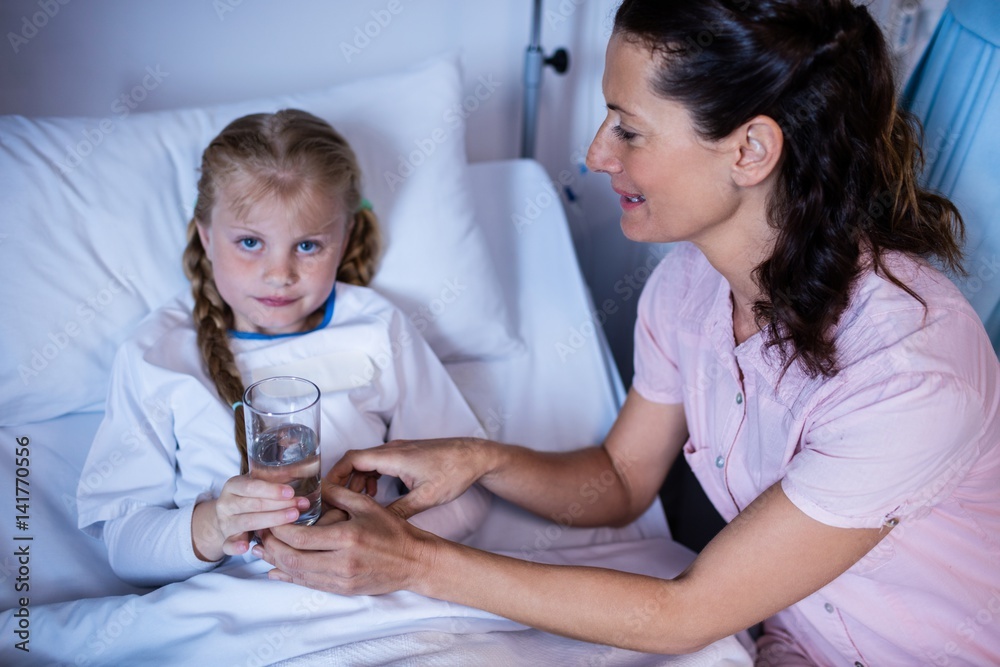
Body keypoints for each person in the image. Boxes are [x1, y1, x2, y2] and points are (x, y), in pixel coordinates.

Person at [255, 2, 1000, 665]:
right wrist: (477, 459)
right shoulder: (689, 285)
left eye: (629, 128)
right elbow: (619, 478)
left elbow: (685, 612)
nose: (596, 154)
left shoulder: (910, 368)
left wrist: (415, 562)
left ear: (750, 151)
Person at [77, 109, 491, 588]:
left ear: (346, 237)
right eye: (250, 242)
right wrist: (213, 525)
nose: (280, 273)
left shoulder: (377, 327)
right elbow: (124, 545)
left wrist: (384, 538)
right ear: (207, 237)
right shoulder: (157, 353)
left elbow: (467, 491)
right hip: (225, 615)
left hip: (379, 605)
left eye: (308, 246)